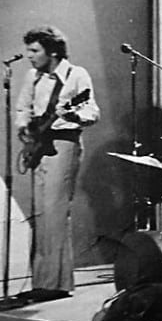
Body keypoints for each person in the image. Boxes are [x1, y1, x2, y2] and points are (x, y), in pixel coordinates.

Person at [14, 25, 100, 302]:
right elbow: (22, 108)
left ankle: (57, 283)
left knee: (55, 212)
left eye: (34, 50)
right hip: (39, 147)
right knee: (41, 214)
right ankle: (43, 281)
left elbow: (91, 112)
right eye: (28, 50)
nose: (29, 55)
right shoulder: (33, 76)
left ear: (52, 51)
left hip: (63, 144)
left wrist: (73, 117)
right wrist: (25, 129)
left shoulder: (76, 75)